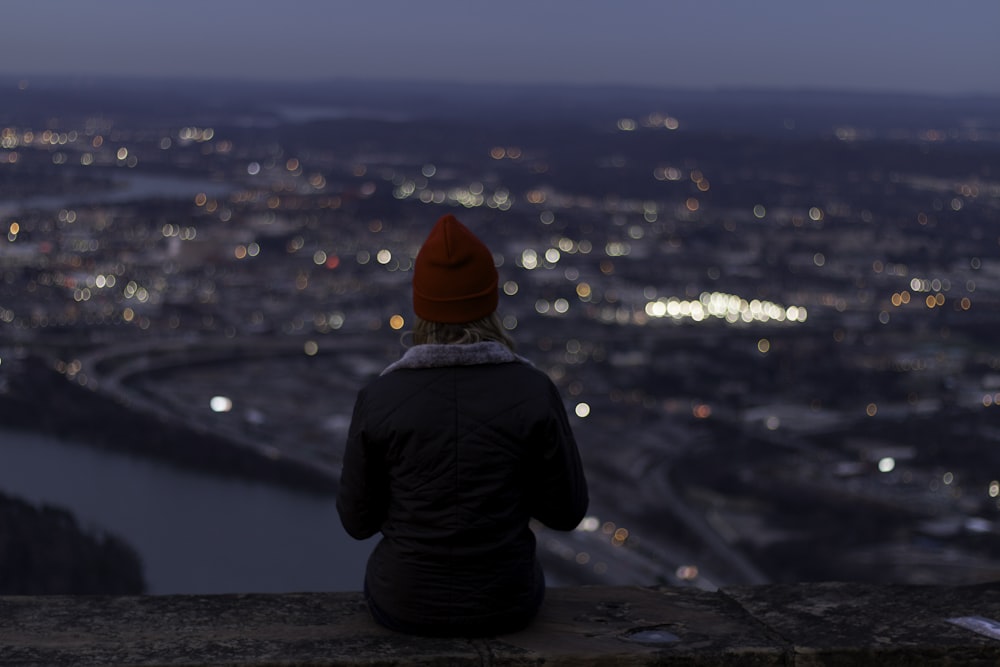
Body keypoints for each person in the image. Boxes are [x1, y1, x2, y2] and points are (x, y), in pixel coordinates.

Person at [336, 214, 589, 637]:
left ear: (421, 308)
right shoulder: (533, 390)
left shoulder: (380, 397)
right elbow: (566, 513)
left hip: (403, 601)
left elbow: (357, 522)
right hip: (507, 601)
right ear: (490, 303)